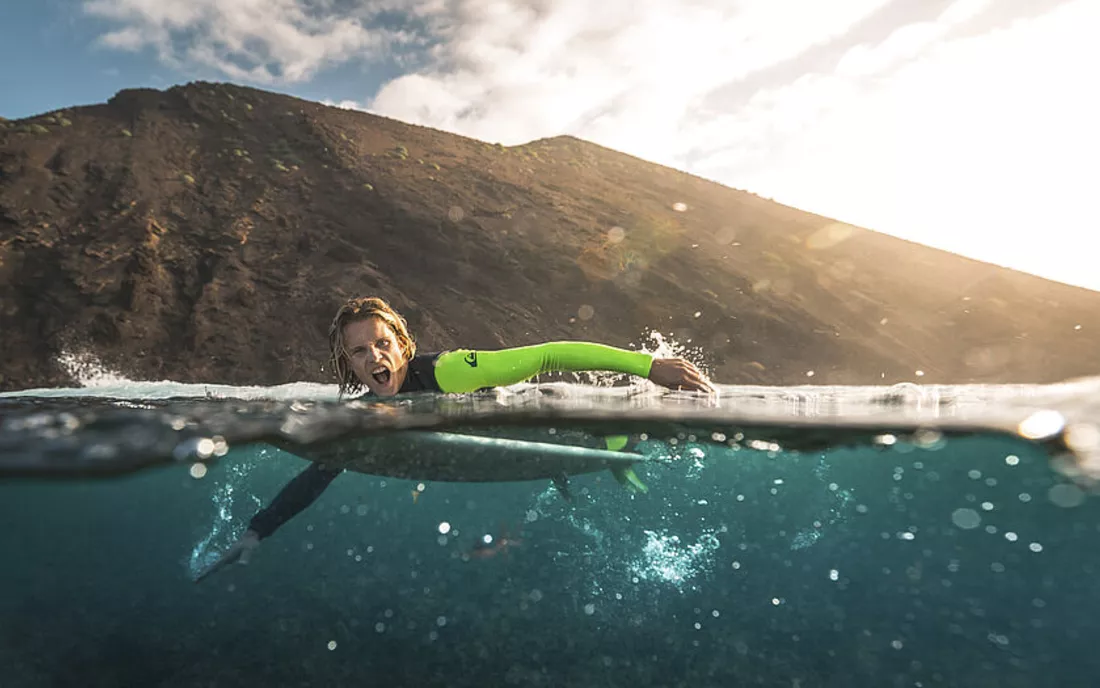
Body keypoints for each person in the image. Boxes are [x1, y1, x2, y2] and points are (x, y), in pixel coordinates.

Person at [195, 296, 713, 581]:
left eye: (383, 344)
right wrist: (256, 532)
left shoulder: (451, 372)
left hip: (553, 418)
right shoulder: (365, 411)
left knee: (635, 436)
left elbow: (548, 354)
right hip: (511, 444)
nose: (375, 357)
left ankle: (622, 450)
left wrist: (649, 365)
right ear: (347, 364)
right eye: (360, 352)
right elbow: (322, 469)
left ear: (402, 345)